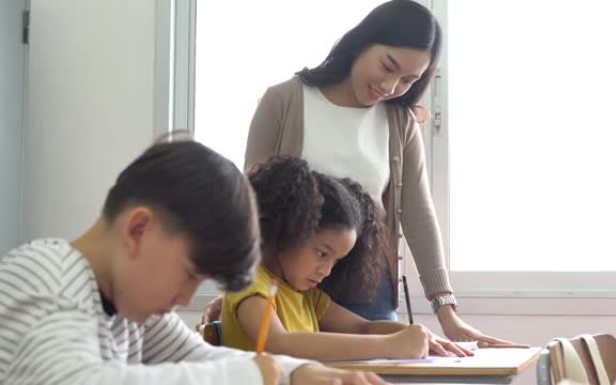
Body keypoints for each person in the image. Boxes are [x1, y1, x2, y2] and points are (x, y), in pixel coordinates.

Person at [202, 0, 512, 349]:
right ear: (361, 42)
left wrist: (446, 311)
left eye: (408, 80)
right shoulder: (285, 100)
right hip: (286, 279)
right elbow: (252, 201)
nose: (392, 85)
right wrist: (240, 286)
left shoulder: (399, 122)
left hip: (366, 287)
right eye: (388, 66)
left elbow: (418, 214)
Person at [0, 139, 385, 385]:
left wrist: (300, 372)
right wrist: (251, 375)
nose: (186, 299)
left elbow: (200, 357)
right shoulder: (44, 276)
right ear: (138, 230)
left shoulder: (132, 310)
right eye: (189, 274)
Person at [220, 156, 462, 361]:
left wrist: (421, 336)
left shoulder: (305, 296)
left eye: (336, 261)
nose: (326, 270)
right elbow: (278, 343)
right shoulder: (250, 283)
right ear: (287, 231)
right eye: (322, 253)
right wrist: (390, 346)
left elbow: (363, 328)